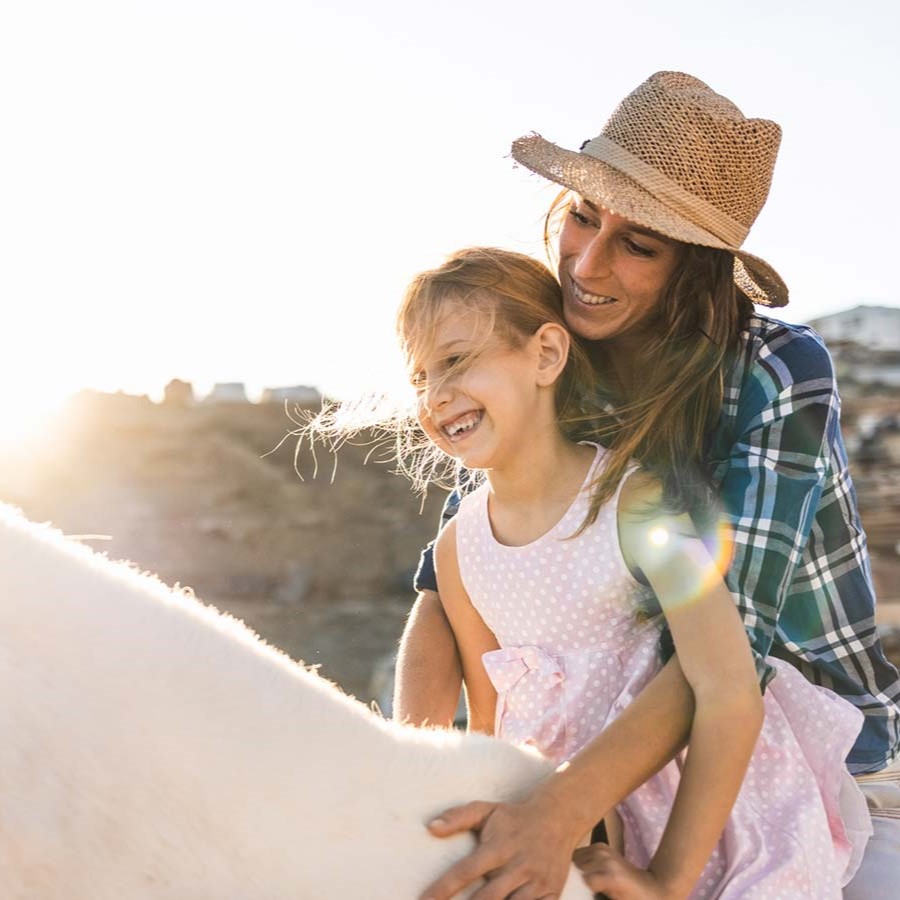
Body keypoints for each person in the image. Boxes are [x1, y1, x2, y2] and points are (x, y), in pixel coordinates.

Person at [393, 72, 900, 898]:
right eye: (584, 218)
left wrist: (561, 811)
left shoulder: (776, 369)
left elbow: (733, 651)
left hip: (804, 758)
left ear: (697, 270)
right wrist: (410, 786)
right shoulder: (555, 347)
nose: (587, 263)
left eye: (639, 244)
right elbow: (448, 590)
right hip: (606, 774)